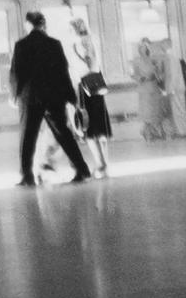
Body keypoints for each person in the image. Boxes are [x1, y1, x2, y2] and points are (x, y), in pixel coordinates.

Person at [10, 11, 92, 185]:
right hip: (54, 97)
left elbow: (17, 73)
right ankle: (81, 168)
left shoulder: (21, 45)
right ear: (42, 24)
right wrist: (71, 97)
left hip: (31, 98)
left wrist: (14, 95)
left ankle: (27, 175)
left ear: (28, 24)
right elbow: (63, 71)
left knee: (28, 138)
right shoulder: (54, 44)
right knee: (63, 133)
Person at [70, 19, 111, 173]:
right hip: (97, 87)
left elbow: (82, 66)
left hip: (84, 87)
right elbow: (96, 65)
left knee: (87, 126)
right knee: (101, 127)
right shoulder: (92, 41)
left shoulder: (78, 44)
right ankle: (105, 161)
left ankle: (100, 163)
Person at [132, 38, 166, 142]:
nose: (144, 49)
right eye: (142, 47)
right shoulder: (136, 61)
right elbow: (134, 74)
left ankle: (158, 132)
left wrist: (158, 73)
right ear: (139, 49)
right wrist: (140, 78)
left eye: (146, 47)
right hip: (144, 89)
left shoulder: (153, 59)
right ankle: (148, 133)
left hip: (154, 87)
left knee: (156, 110)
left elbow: (160, 75)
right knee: (146, 111)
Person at [159, 37, 186, 138]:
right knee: (180, 110)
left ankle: (181, 132)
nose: (161, 47)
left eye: (162, 45)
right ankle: (182, 131)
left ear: (165, 45)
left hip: (175, 89)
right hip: (178, 87)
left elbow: (172, 74)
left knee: (178, 111)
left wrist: (169, 90)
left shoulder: (169, 57)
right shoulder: (174, 56)